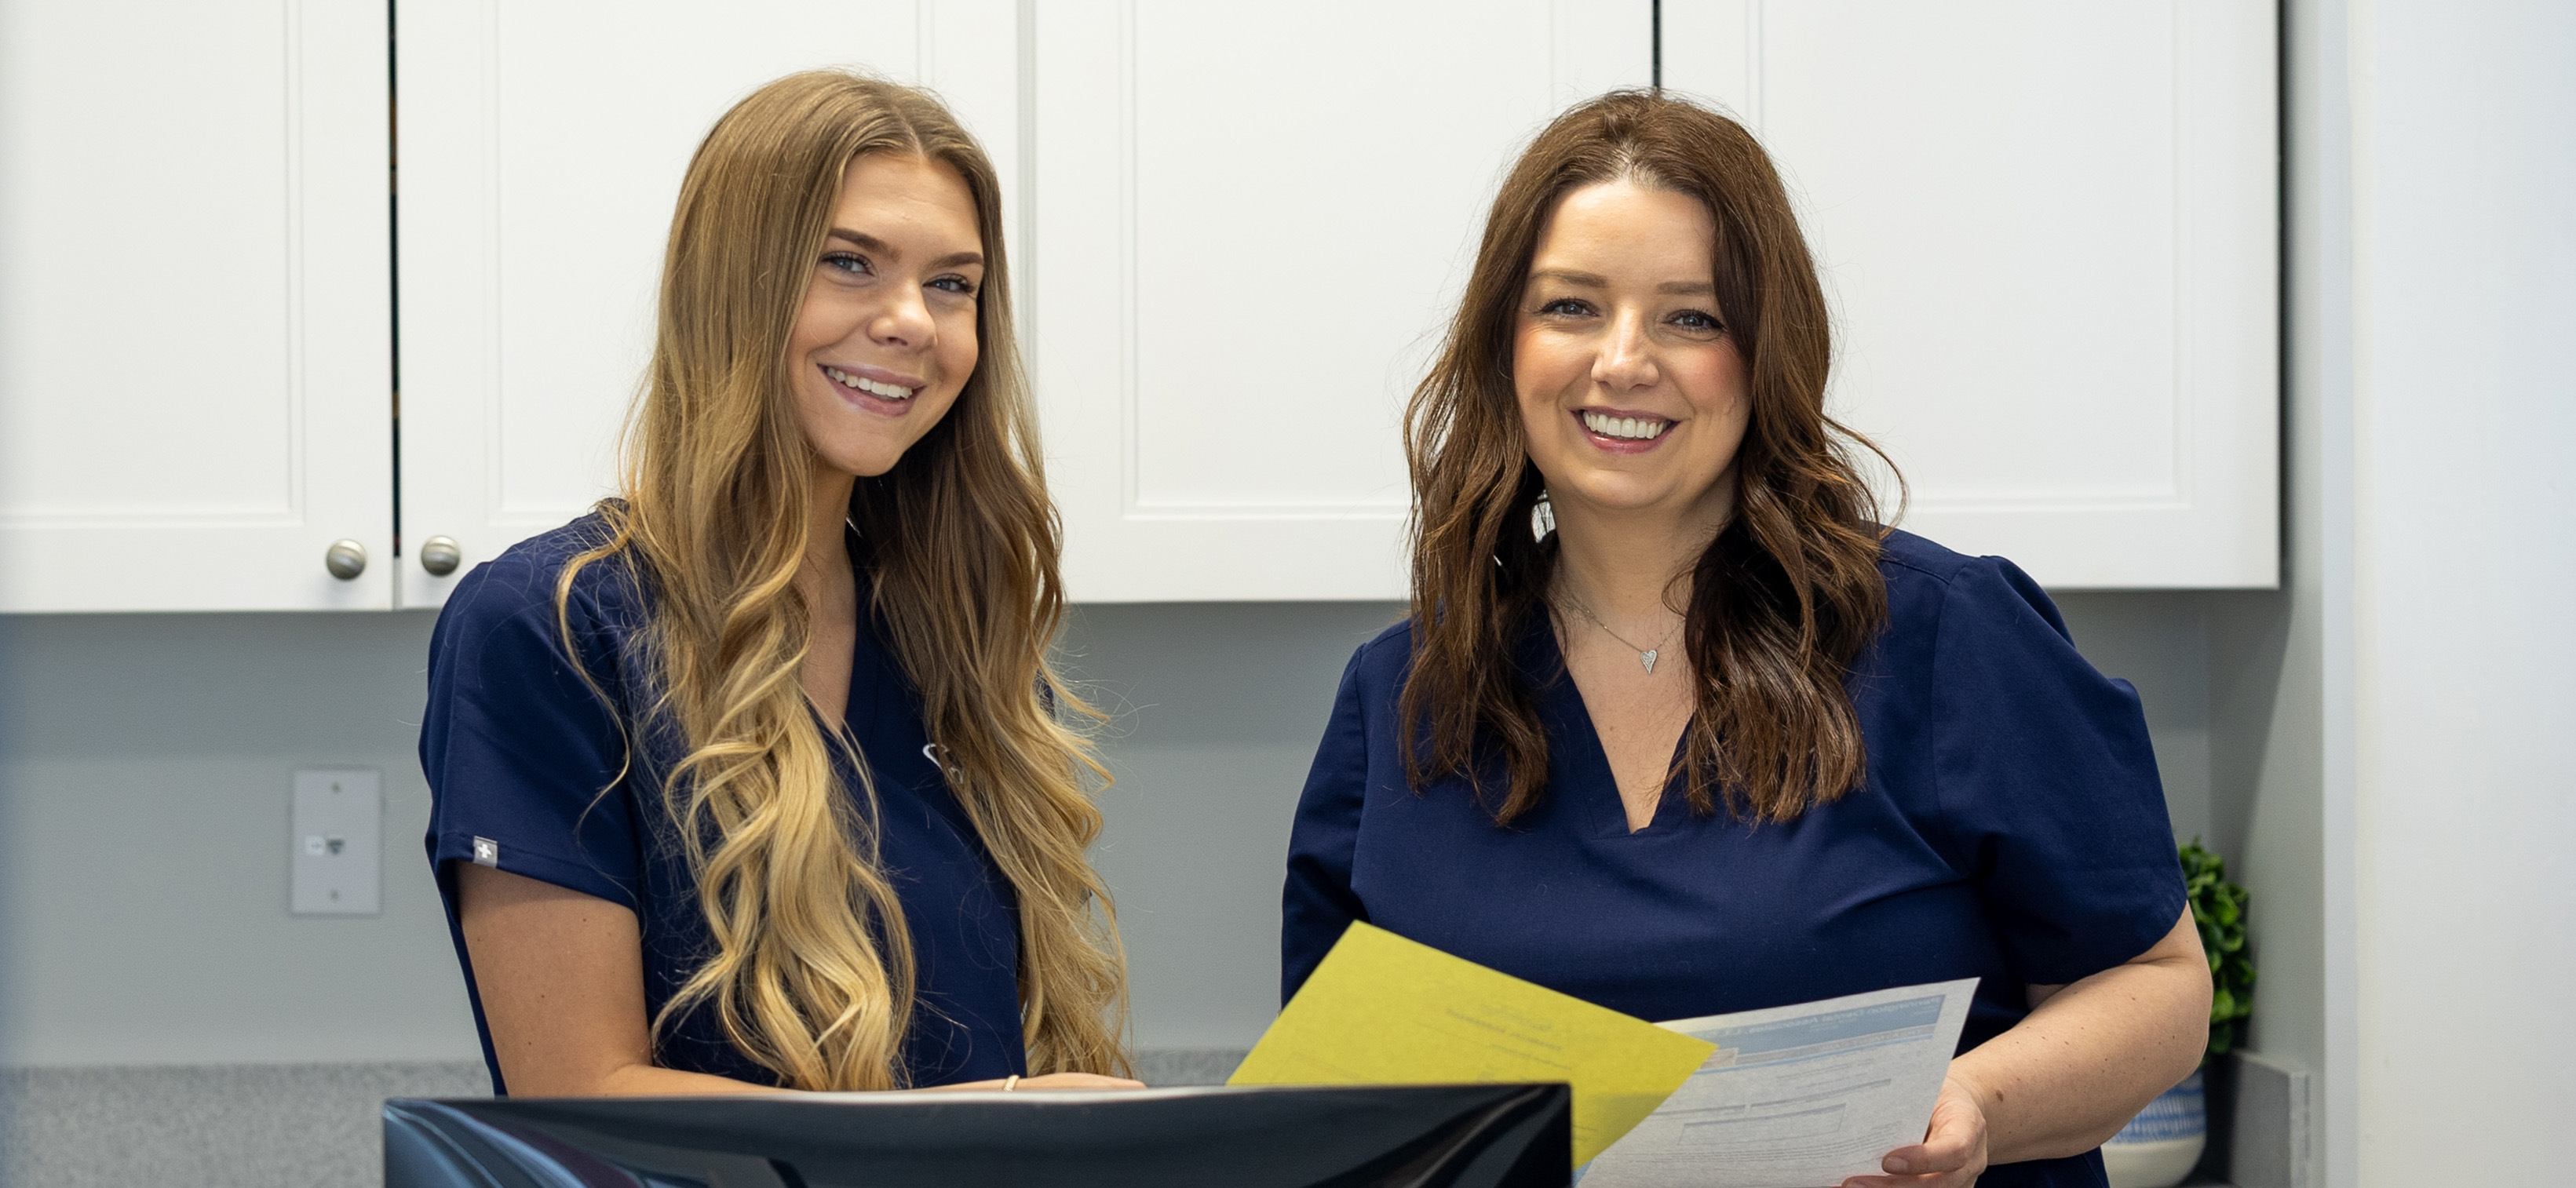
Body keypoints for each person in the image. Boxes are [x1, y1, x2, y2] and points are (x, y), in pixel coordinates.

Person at [1280, 91, 2209, 1188]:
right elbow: (1336, 1113)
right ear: (1503, 344)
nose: (1622, 361)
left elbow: (2158, 988)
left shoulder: (1944, 635)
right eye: (1571, 306)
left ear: (1763, 353)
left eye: (1690, 317)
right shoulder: (1404, 695)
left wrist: (1972, 1108)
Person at [420, 71, 1134, 1096]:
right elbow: (578, 1092)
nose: (912, 322)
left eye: (952, 284)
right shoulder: (557, 626)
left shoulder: (952, 635)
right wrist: (1004, 1119)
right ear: (731, 287)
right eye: (848, 263)